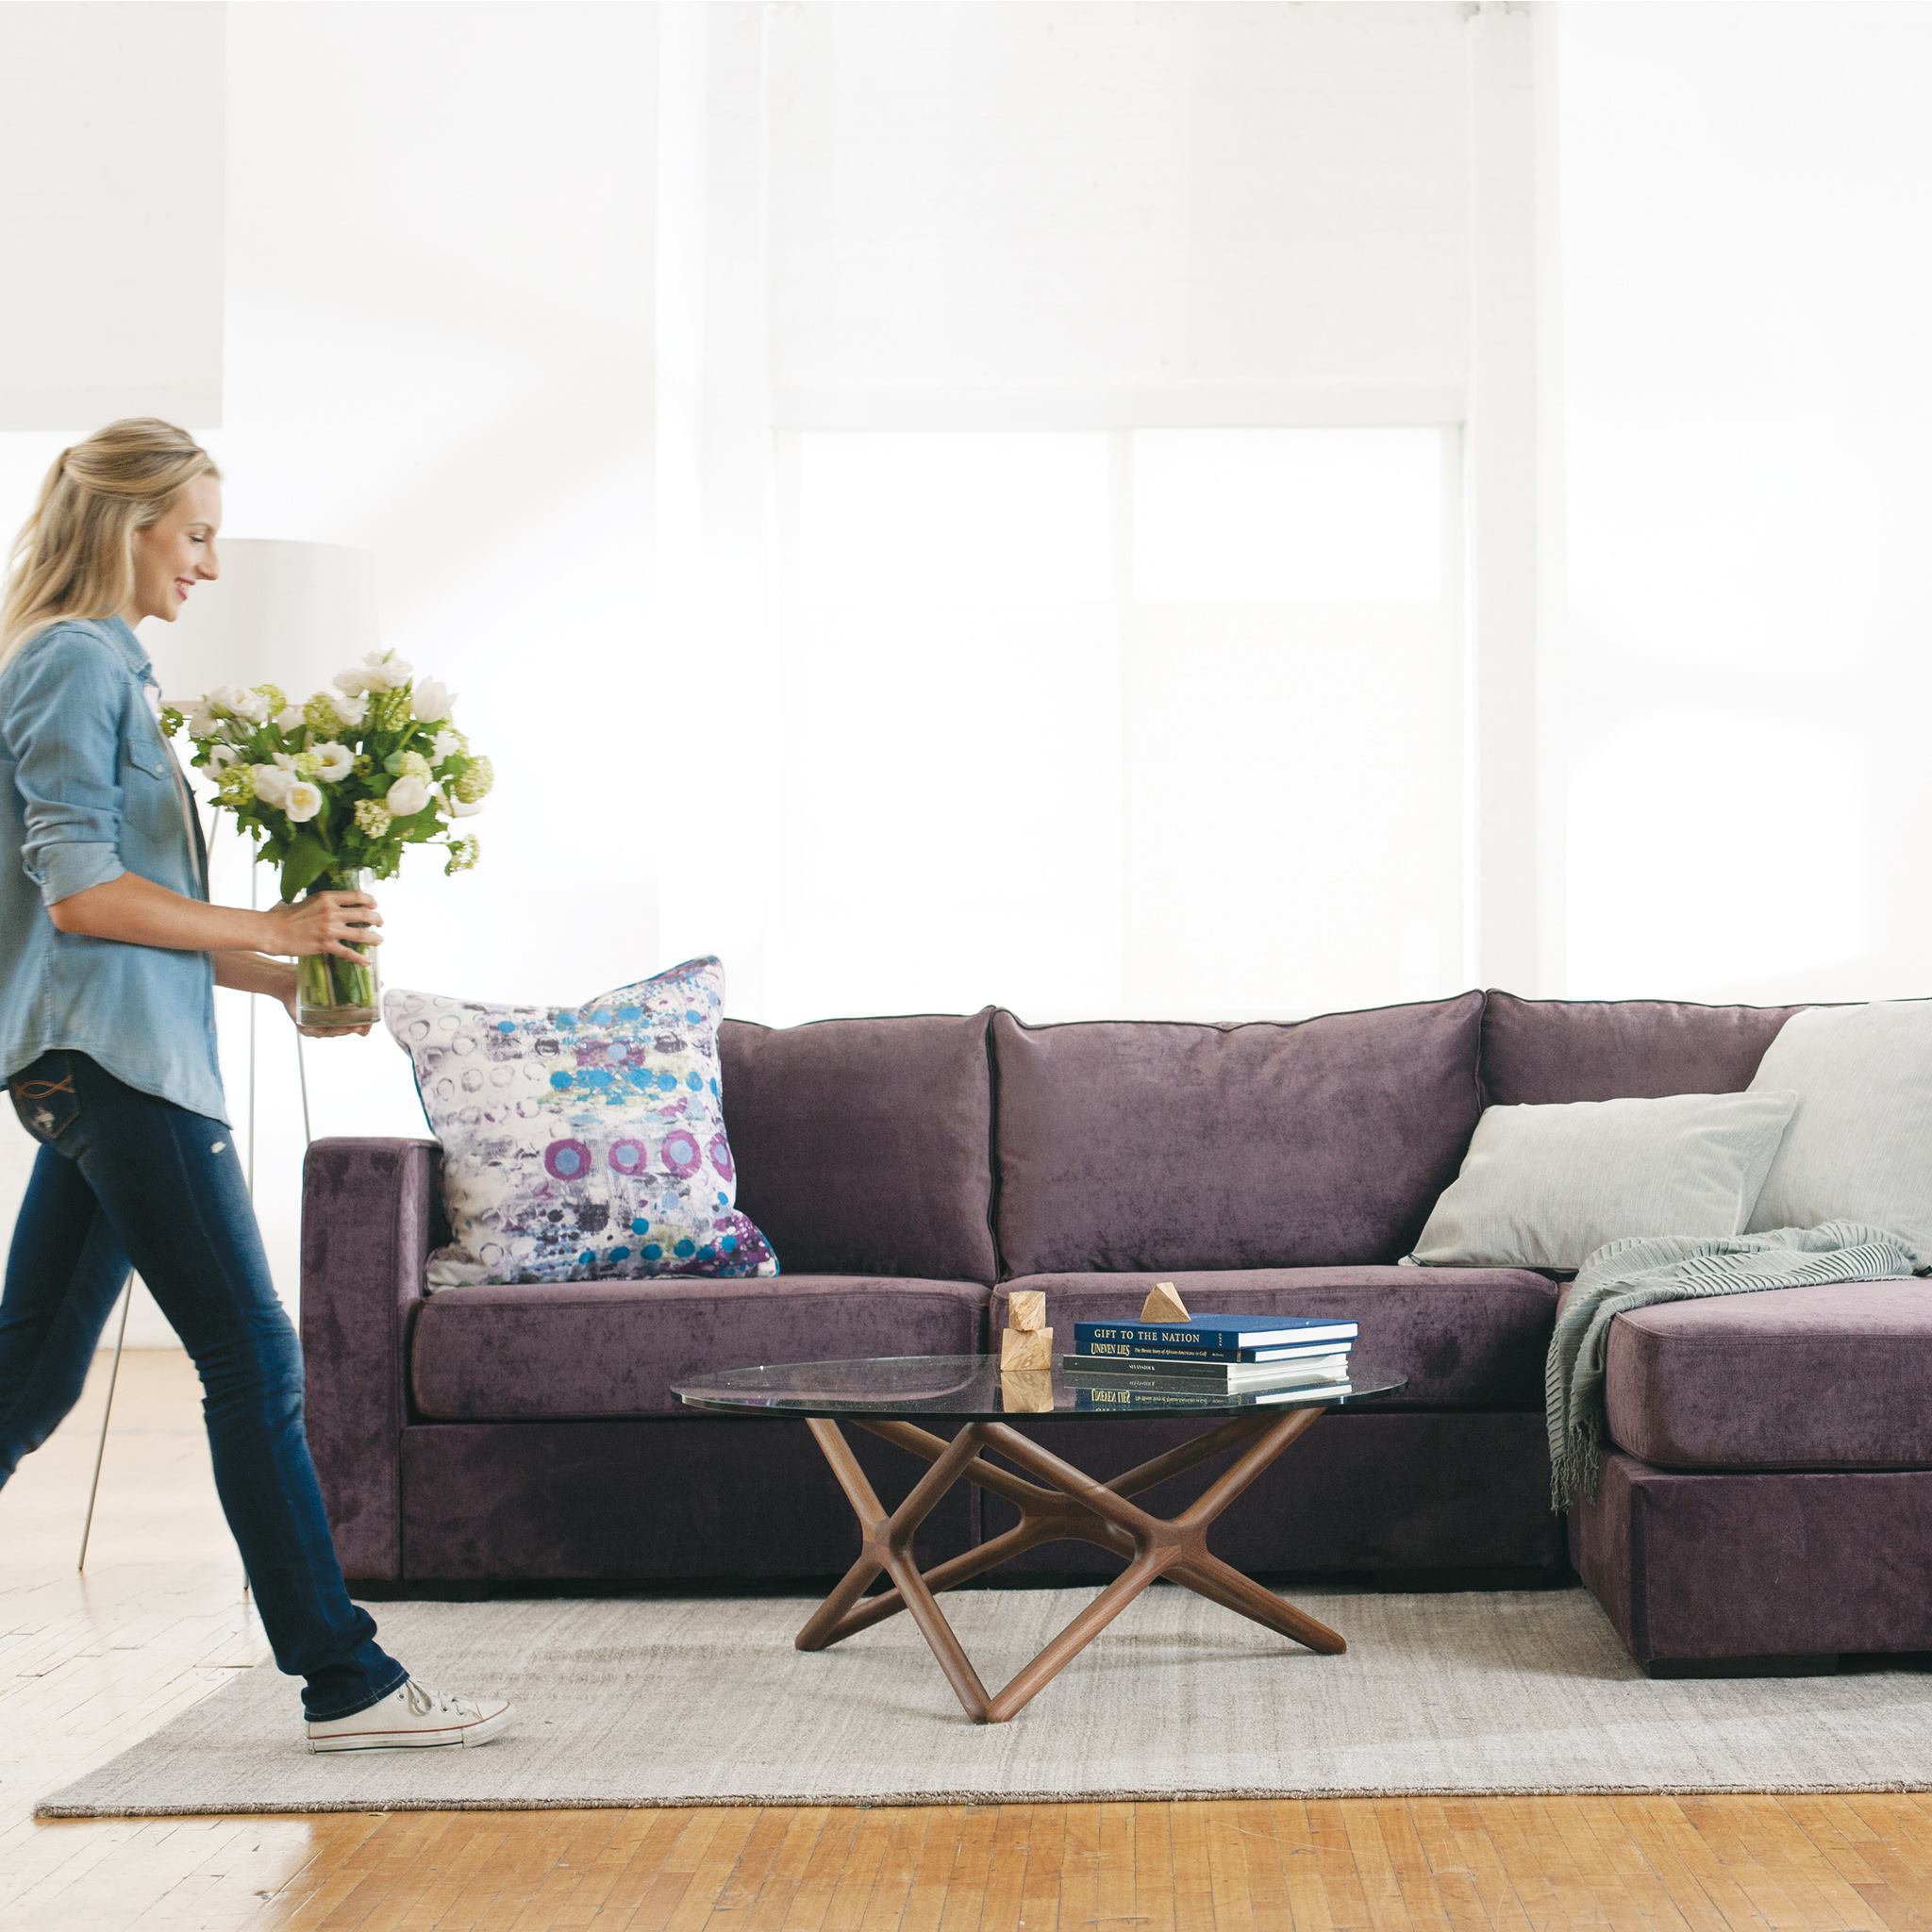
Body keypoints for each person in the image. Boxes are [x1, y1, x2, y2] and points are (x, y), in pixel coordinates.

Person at [0, 418, 509, 1753]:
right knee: (256, 1361)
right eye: (200, 535)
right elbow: (81, 896)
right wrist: (274, 932)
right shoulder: (69, 663)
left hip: (113, 1059)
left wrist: (280, 980)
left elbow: (139, 915)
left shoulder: (111, 668)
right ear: (130, 525)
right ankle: (344, 1681)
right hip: (118, 1073)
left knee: (25, 1383)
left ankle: (341, 1677)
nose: (209, 567)